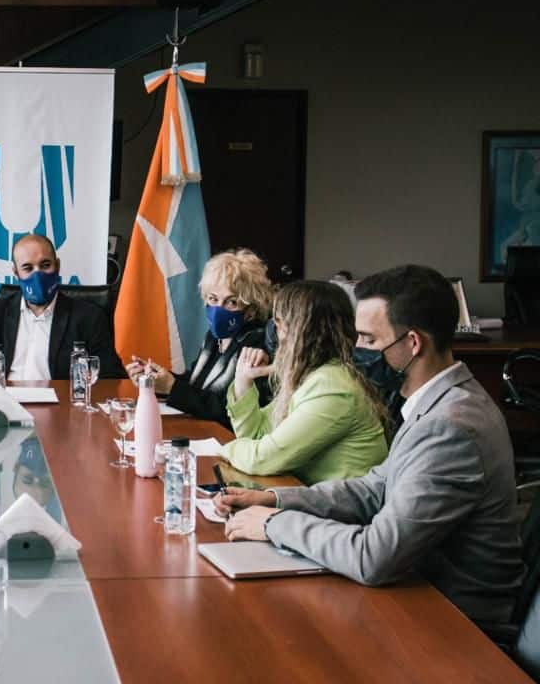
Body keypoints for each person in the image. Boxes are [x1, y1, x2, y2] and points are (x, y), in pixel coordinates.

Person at [215, 265, 524, 625]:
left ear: (412, 343)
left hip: (453, 619)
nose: (356, 349)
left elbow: (374, 555)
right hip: (416, 589)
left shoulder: (451, 426)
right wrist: (276, 499)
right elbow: (375, 488)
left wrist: (274, 524)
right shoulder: (441, 402)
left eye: (369, 340)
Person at [219, 281, 388, 484]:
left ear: (295, 329)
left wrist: (223, 449)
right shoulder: (313, 376)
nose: (276, 331)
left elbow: (261, 459)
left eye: (279, 322)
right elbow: (257, 435)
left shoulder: (331, 388)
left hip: (340, 512)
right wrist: (243, 380)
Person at [0, 234, 126, 380]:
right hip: (3, 408)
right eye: (28, 268)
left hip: (61, 411)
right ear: (16, 273)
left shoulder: (88, 317)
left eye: (45, 265)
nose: (37, 274)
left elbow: (111, 377)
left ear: (58, 266)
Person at [125, 248, 274, 428]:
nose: (219, 308)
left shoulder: (257, 344)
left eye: (231, 302)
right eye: (213, 299)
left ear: (251, 310)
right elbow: (197, 385)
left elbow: (230, 412)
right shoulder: (214, 337)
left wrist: (172, 388)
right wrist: (158, 379)